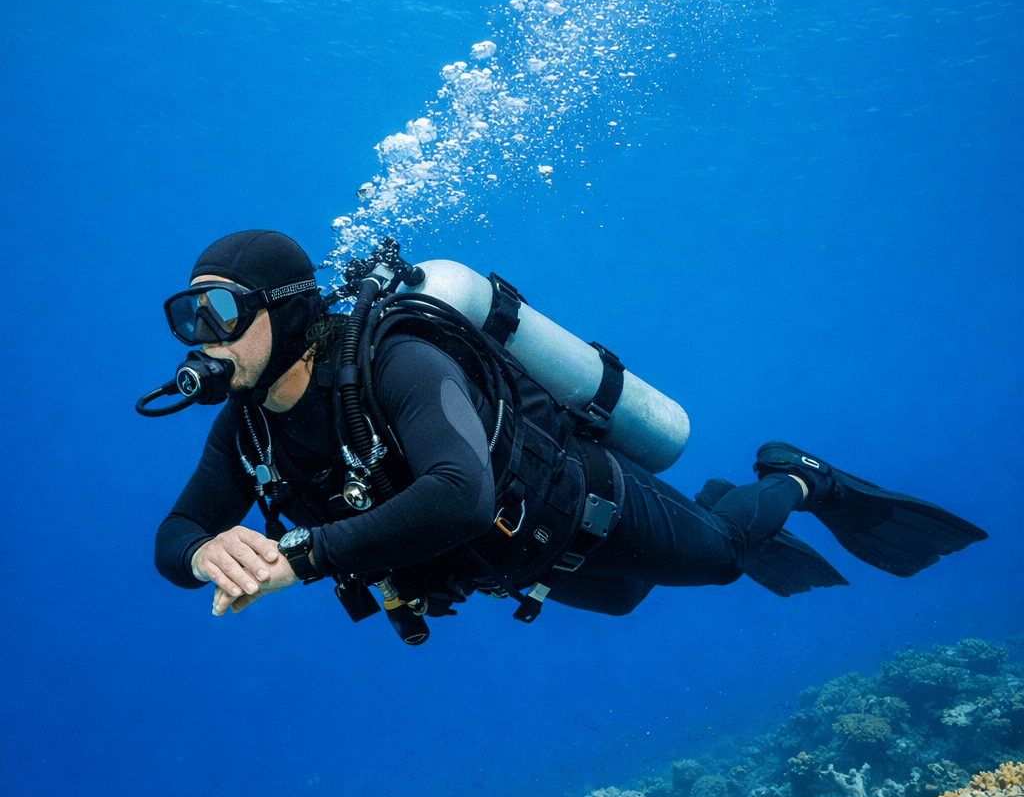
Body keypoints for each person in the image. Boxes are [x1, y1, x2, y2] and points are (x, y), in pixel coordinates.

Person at [154, 230, 986, 634]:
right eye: (186, 316)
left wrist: (300, 558)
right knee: (627, 596)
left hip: (585, 501)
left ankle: (797, 475)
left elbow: (461, 492)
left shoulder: (397, 362)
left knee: (725, 562)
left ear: (289, 310)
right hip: (523, 561)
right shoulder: (247, 429)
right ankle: (715, 506)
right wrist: (203, 554)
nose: (202, 336)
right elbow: (175, 533)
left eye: (219, 310)